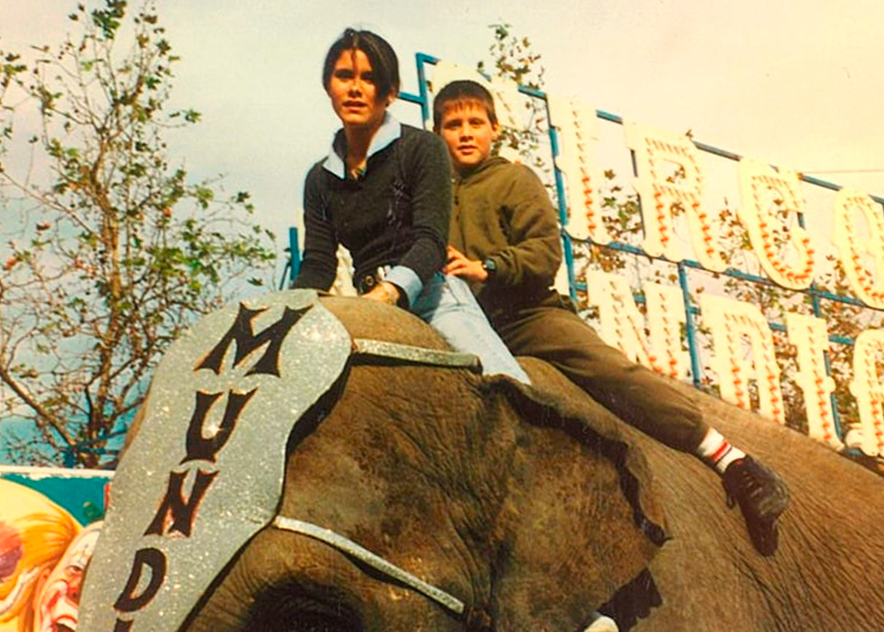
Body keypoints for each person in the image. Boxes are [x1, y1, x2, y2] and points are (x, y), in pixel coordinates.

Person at [433, 79, 790, 557]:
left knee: (608, 370)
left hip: (526, 315)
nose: (465, 133)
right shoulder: (432, 195)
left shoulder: (514, 180)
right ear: (437, 134)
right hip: (465, 322)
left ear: (495, 128)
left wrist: (490, 266)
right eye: (452, 125)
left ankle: (729, 459)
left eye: (475, 122)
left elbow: (542, 253)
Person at [291, 28, 528, 383]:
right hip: (364, 303)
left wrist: (386, 295)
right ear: (329, 87)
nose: (355, 89)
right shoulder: (319, 180)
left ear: (390, 93)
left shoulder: (422, 148)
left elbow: (430, 240)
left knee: (507, 388)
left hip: (432, 300)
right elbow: (317, 265)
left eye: (369, 79)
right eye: (344, 76)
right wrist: (284, 315)